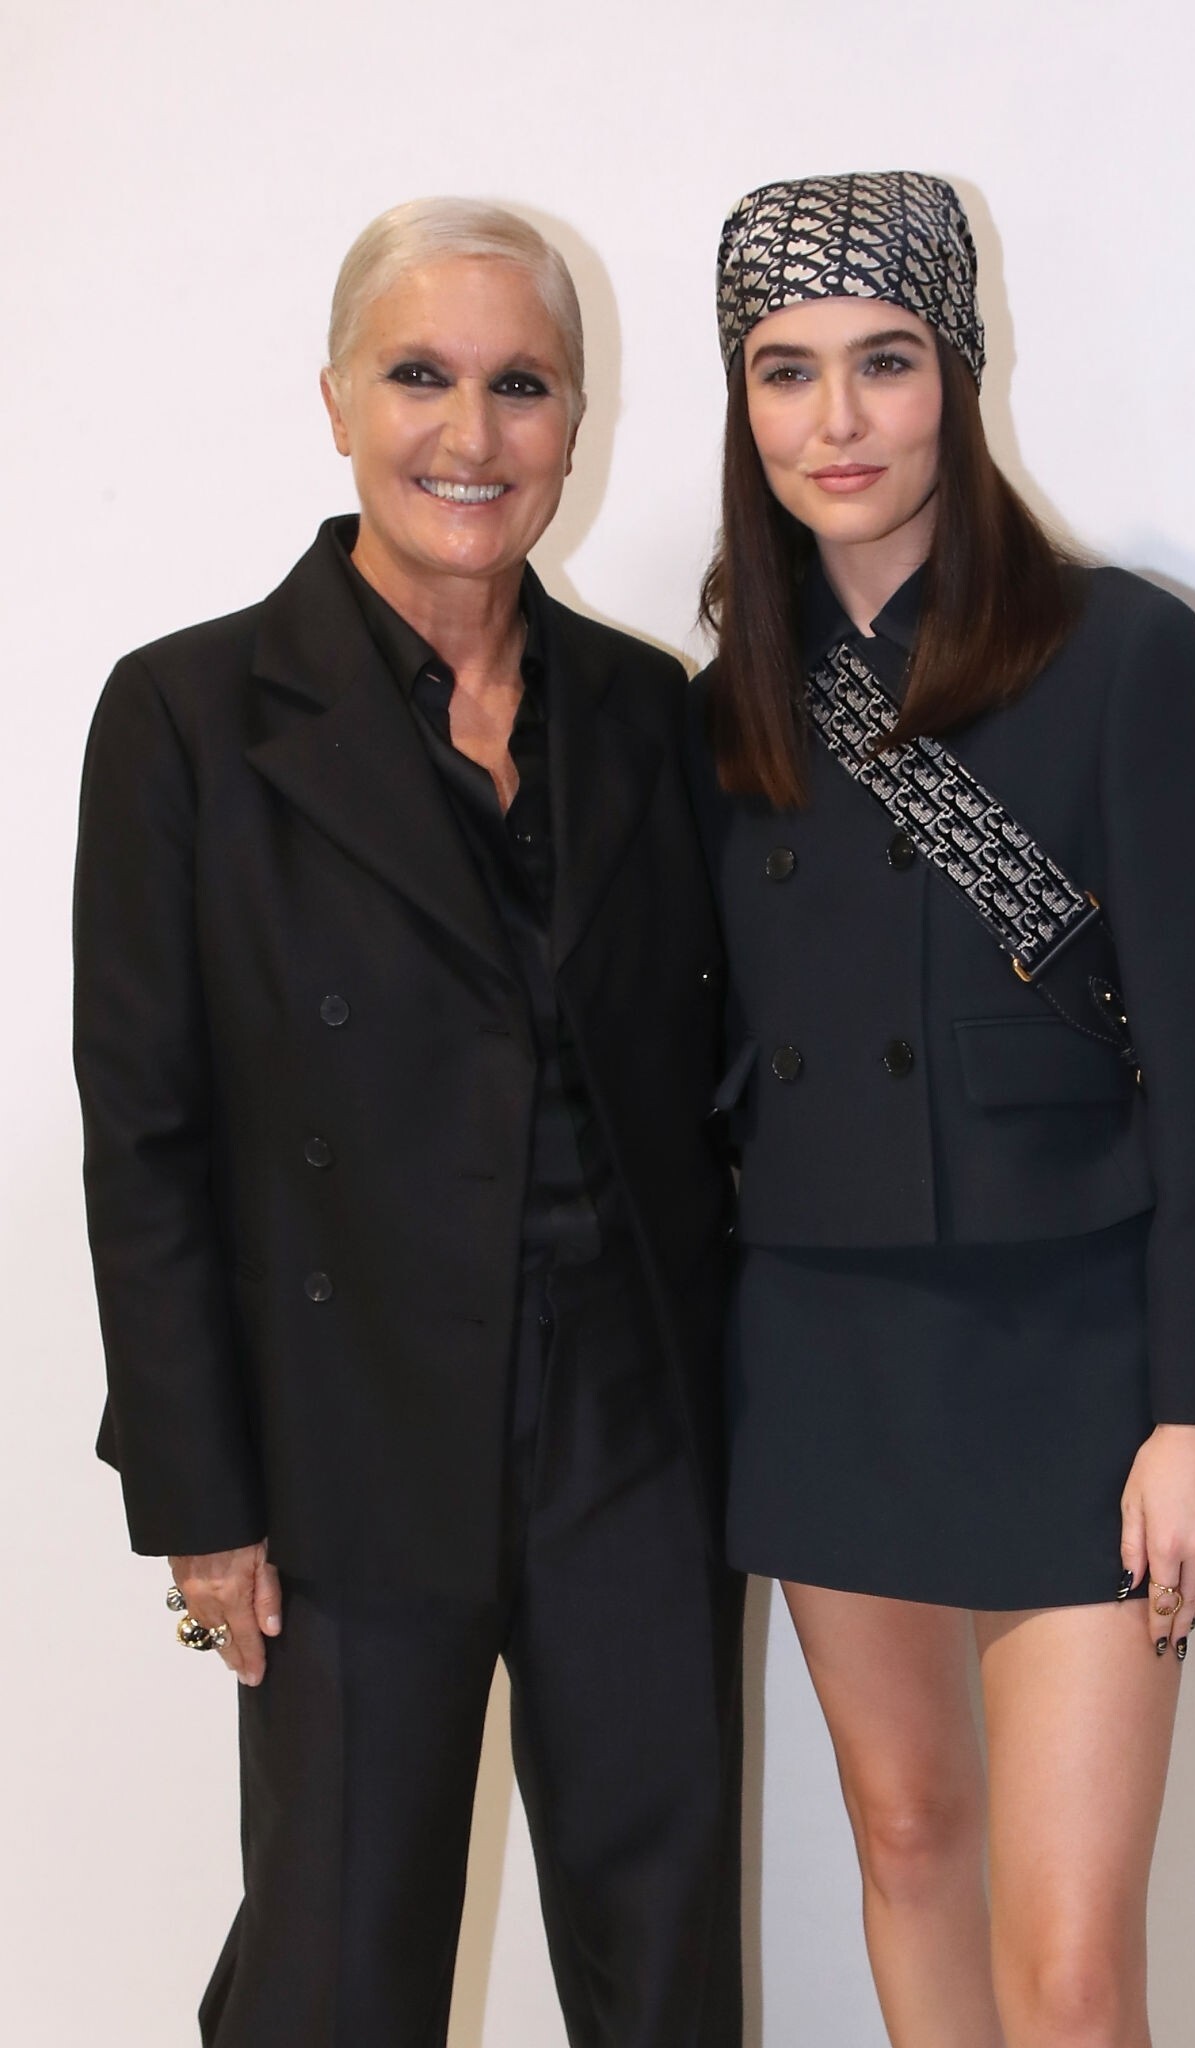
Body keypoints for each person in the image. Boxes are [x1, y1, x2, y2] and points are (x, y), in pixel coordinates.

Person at [73, 197, 743, 2048]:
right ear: (336, 402)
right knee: (335, 1978)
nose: (471, 433)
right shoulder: (188, 716)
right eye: (420, 376)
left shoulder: (647, 713)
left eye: (520, 386)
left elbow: (711, 1079)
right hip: (341, 1434)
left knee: (665, 1966)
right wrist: (199, 1498)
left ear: (577, 423)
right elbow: (145, 1138)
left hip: (630, 1429)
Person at [688, 170, 1195, 2048]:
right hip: (823, 1344)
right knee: (904, 1841)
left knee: (1073, 1959)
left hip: (1071, 1356)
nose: (838, 419)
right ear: (742, 403)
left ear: (957, 372)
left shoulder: (1122, 652)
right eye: (785, 371)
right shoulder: (721, 713)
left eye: (884, 361)